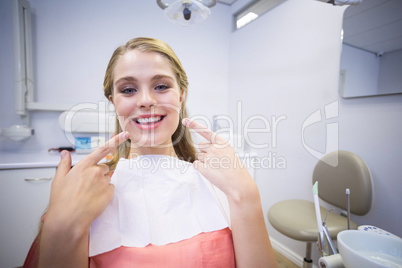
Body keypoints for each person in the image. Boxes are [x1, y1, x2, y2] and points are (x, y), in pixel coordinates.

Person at [34, 37, 277, 267]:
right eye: (128, 90)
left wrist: (246, 195)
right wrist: (61, 225)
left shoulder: (221, 185)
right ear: (113, 101)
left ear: (181, 96)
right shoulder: (82, 194)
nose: (146, 100)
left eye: (161, 86)